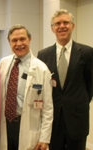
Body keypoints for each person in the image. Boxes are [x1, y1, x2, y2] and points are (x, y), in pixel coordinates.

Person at [37, 9, 93, 150]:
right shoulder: (43, 55)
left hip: (77, 118)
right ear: (52, 28)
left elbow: (90, 84)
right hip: (53, 120)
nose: (62, 26)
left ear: (72, 26)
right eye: (57, 23)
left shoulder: (87, 53)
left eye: (66, 22)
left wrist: (79, 101)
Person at [0, 24, 53, 150]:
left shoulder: (41, 69)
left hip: (28, 126)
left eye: (22, 39)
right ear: (9, 42)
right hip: (5, 125)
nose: (19, 43)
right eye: (14, 40)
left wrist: (44, 138)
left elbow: (48, 108)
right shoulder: (3, 64)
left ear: (29, 39)